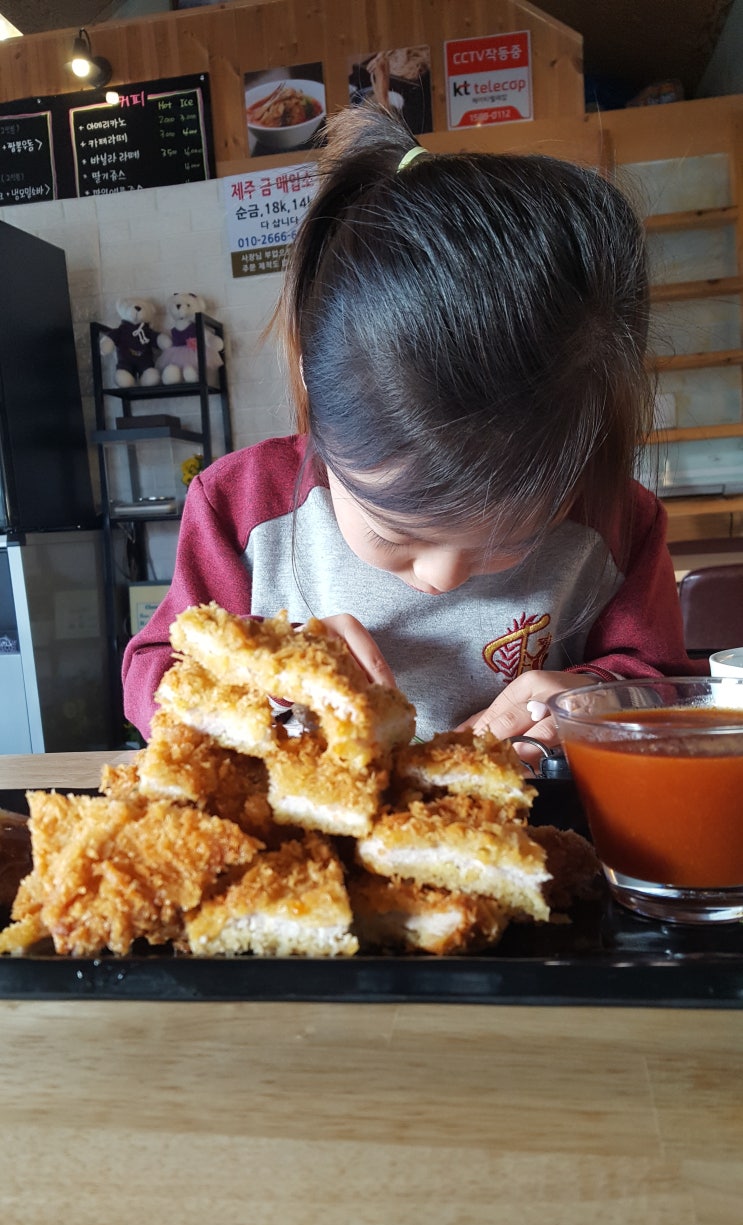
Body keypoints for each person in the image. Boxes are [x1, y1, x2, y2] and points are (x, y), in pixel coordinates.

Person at [122, 102, 700, 754]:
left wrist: (594, 701)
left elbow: (663, 685)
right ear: (317, 395)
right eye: (394, 531)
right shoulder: (240, 507)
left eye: (511, 538)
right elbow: (154, 672)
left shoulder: (616, 521)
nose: (443, 576)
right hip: (305, 827)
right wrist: (266, 667)